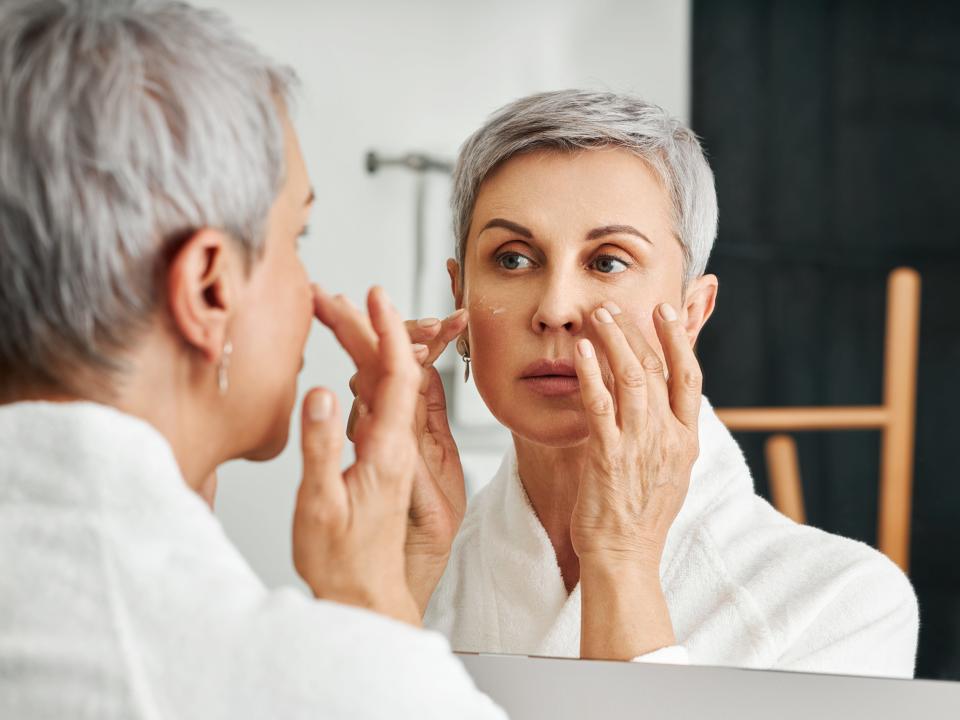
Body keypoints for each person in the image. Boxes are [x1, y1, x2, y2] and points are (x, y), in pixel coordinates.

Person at [0, 1, 505, 717]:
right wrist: (373, 615)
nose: (314, 292)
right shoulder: (292, 677)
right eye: (298, 237)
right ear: (209, 288)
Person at [349, 90, 920, 677]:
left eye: (608, 262)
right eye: (514, 259)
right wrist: (405, 561)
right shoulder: (410, 568)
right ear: (459, 297)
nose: (556, 308)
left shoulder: (841, 606)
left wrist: (621, 556)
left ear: (692, 313)